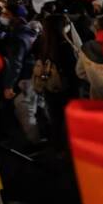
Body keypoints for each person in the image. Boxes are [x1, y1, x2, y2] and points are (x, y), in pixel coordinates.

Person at [33, 14, 81, 146]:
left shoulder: (42, 43)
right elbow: (73, 71)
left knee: (55, 117)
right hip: (66, 87)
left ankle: (57, 145)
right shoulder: (65, 46)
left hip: (49, 85)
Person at [0, 3, 42, 143]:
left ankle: (35, 143)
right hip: (33, 76)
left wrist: (8, 86)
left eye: (6, 14)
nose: (2, 16)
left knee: (25, 109)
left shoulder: (18, 37)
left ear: (15, 17)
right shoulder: (27, 31)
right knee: (35, 107)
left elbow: (16, 63)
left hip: (25, 78)